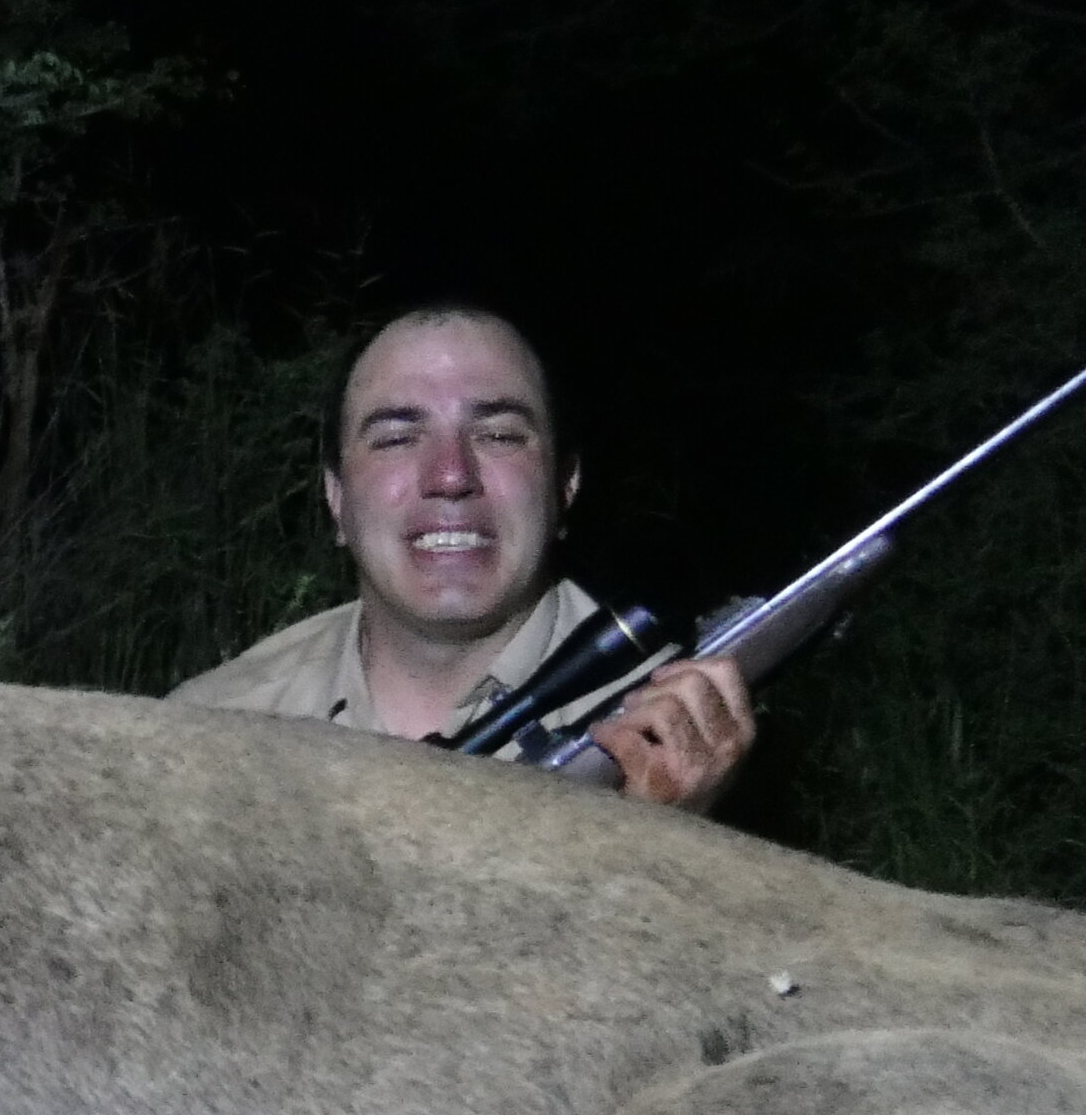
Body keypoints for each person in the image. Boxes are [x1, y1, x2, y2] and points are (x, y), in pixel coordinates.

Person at [173, 306, 755, 809]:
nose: (451, 476)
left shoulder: (691, 734)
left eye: (499, 435)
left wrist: (673, 842)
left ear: (565, 485)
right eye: (397, 437)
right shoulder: (209, 725)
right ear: (336, 499)